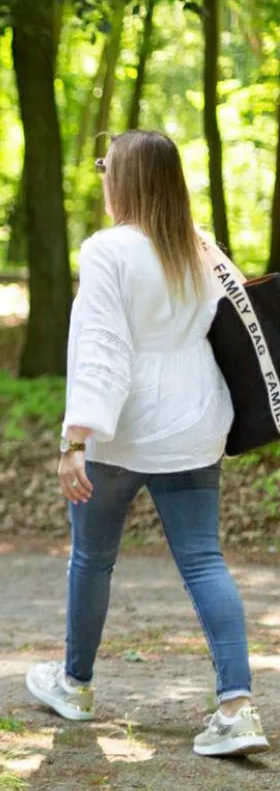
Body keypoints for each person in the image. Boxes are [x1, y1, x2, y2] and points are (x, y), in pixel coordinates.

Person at [25, 129, 270, 758]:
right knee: (203, 560)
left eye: (107, 167)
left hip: (123, 427)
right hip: (193, 421)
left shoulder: (108, 251)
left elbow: (104, 349)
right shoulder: (203, 248)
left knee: (92, 558)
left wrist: (75, 437)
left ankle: (76, 685)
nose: (103, 175)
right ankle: (237, 708)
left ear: (124, 180)